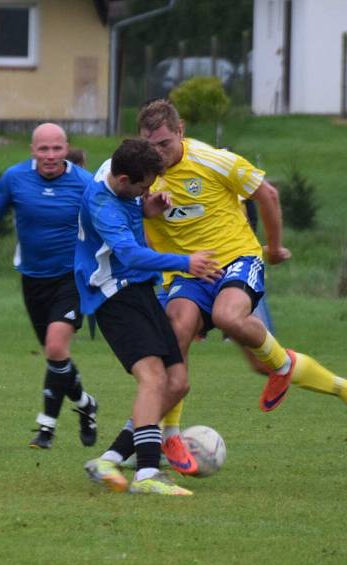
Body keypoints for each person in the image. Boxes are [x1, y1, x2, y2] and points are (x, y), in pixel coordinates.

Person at [136, 99, 347, 474]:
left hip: (235, 262)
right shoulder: (141, 175)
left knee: (247, 344)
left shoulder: (214, 160)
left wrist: (276, 247)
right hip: (187, 277)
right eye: (150, 146)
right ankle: (165, 436)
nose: (158, 154)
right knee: (175, 335)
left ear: (180, 130)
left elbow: (268, 194)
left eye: (164, 144)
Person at [76, 139, 222, 496]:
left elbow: (134, 210)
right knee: (154, 379)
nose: (148, 190)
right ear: (123, 179)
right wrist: (187, 262)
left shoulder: (118, 169)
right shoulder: (102, 206)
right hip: (112, 294)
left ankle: (110, 459)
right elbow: (131, 254)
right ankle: (147, 474)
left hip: (139, 289)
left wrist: (146, 207)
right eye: (143, 187)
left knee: (177, 382)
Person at [0, 123, 98, 450]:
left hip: (72, 279)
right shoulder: (15, 179)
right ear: (32, 150)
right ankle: (86, 405)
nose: (50, 156)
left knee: (57, 348)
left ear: (66, 148)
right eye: (43, 149)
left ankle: (46, 428)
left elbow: (109, 219)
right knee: (56, 357)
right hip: (33, 279)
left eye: (57, 148)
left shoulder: (85, 183)